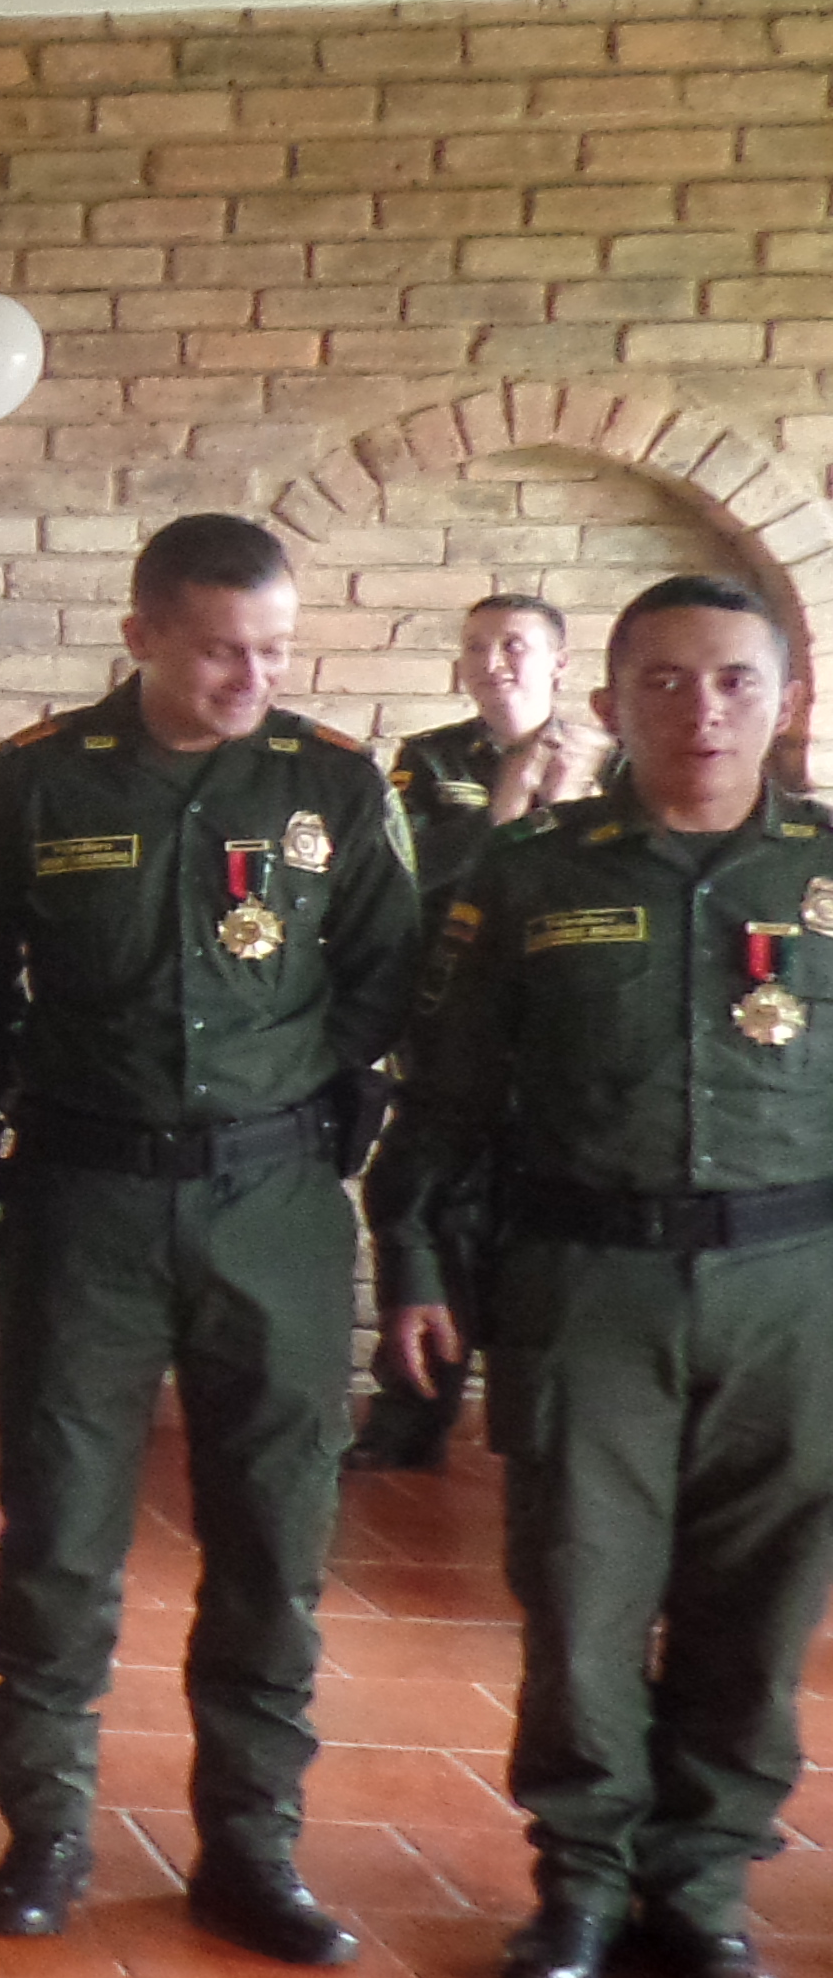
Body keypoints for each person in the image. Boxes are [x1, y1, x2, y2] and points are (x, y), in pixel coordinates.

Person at [367, 576, 830, 1978]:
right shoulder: (534, 873)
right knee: (579, 1594)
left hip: (795, 1291)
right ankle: (577, 1881)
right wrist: (419, 1268)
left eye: (734, 682)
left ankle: (698, 1896)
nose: (703, 710)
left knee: (755, 1610)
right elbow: (444, 1098)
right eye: (668, 683)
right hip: (586, 1283)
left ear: (784, 698)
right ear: (614, 701)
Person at [0, 512, 413, 1964]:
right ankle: (47, 1833)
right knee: (64, 1541)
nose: (249, 677)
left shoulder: (331, 780)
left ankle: (252, 1849)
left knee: (275, 1538)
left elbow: (387, 978)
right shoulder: (32, 780)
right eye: (220, 648)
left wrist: (308, 1101)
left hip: (272, 1205)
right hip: (85, 1196)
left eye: (272, 649)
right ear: (143, 632)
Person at [356, 592, 596, 1473]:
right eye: (477, 647)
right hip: (451, 1029)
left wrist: (563, 807)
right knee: (430, 1222)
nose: (495, 662)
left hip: (563, 1054)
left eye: (517, 646)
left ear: (560, 664)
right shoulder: (428, 762)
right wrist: (506, 809)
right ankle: (410, 1416)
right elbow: (409, 886)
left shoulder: (613, 766)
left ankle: (542, 1429)